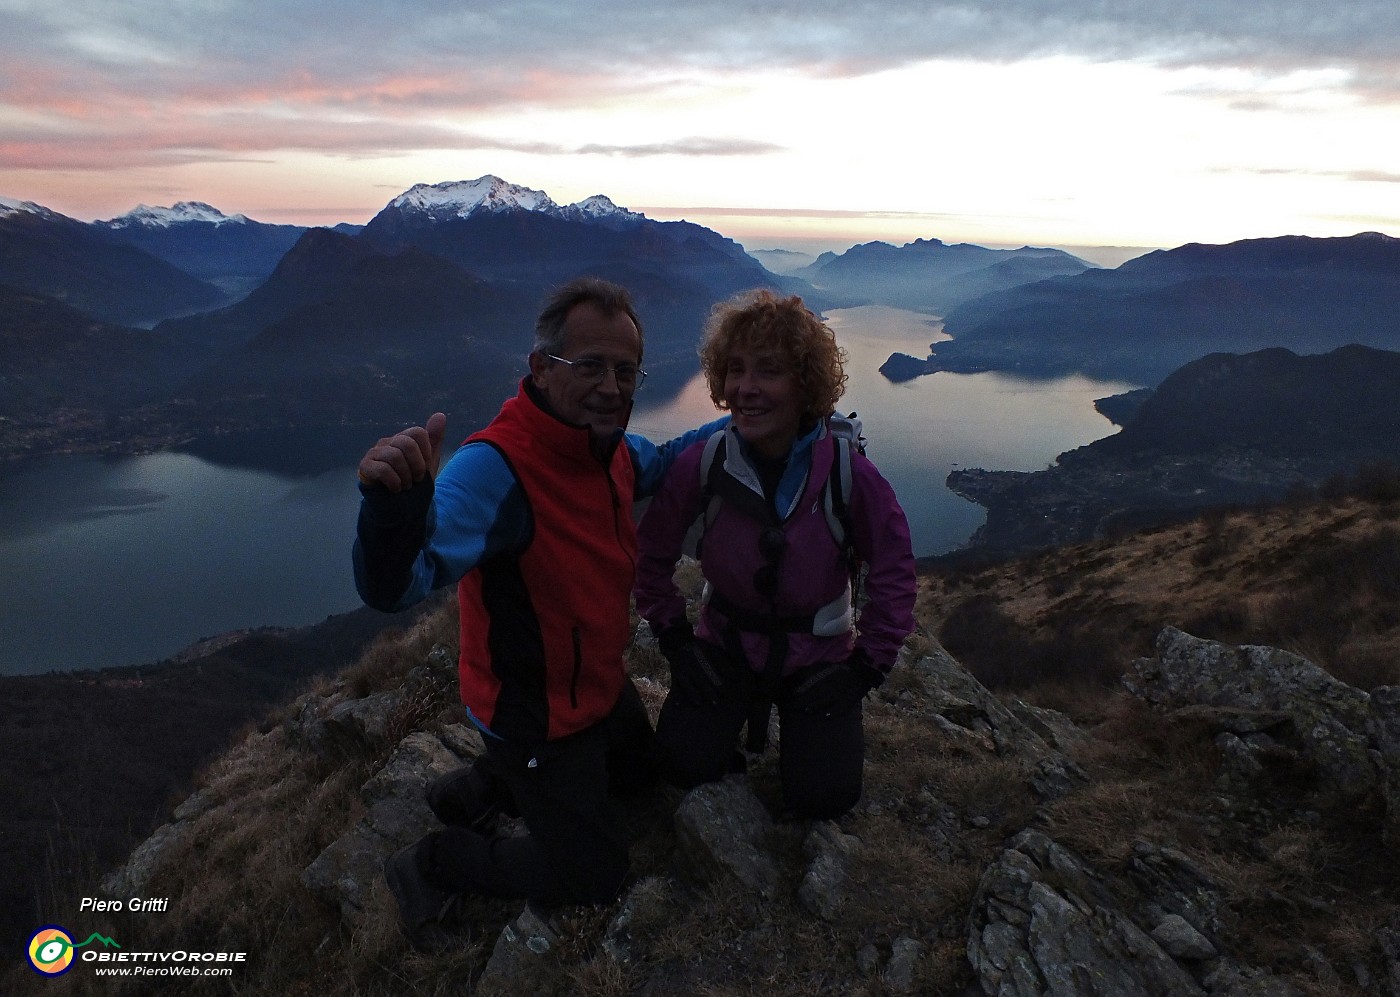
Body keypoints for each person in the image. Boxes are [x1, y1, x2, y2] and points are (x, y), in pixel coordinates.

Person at [353, 277, 726, 946]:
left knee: (643, 782)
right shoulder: (494, 469)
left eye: (625, 370)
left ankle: (485, 786)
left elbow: (671, 459)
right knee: (593, 871)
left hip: (594, 690)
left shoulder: (609, 450)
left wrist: (756, 417)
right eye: (589, 366)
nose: (612, 386)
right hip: (534, 715)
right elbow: (399, 585)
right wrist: (392, 512)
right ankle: (434, 862)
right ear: (540, 369)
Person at [633, 289, 917, 820]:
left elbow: (895, 572)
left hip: (820, 658)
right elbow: (651, 551)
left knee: (824, 798)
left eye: (769, 371)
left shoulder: (848, 473)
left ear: (804, 384)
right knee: (679, 764)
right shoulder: (706, 462)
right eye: (735, 370)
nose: (746, 388)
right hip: (724, 647)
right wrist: (675, 639)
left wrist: (863, 670)